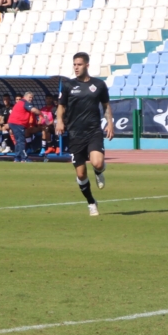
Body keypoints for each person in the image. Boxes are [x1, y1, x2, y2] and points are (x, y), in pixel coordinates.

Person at [55, 52, 112, 216]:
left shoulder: (99, 85)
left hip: (93, 131)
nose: (76, 67)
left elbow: (106, 105)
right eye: (74, 64)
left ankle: (99, 172)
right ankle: (91, 202)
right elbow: (61, 106)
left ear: (87, 65)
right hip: (75, 133)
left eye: (79, 64)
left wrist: (110, 123)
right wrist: (59, 120)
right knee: (81, 174)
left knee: (98, 163)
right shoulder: (68, 85)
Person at [7, 92, 43, 162]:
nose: (31, 99)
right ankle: (24, 158)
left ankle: (17, 158)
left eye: (32, 97)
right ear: (25, 97)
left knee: (18, 141)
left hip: (13, 123)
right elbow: (34, 110)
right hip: (18, 123)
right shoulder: (24, 102)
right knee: (21, 141)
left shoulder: (20, 103)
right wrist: (42, 114)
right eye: (30, 97)